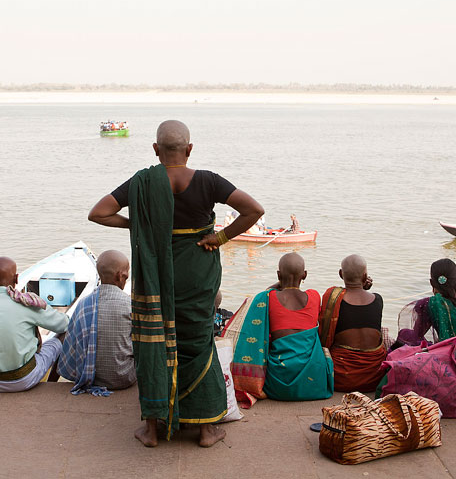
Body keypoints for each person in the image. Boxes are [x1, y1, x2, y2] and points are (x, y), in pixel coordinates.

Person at [88, 119, 264, 448]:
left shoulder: (142, 182)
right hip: (197, 272)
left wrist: (139, 225)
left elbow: (98, 213)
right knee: (198, 343)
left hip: (156, 273)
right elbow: (253, 210)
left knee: (154, 344)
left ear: (156, 150)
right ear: (189, 149)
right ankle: (207, 429)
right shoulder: (209, 181)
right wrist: (221, 236)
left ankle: (153, 429)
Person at [232, 253, 333, 404]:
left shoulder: (268, 297)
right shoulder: (314, 296)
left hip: (278, 383)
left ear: (278, 275)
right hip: (314, 383)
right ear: (304, 275)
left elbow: (265, 293)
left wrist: (278, 284)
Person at [0, 257, 69, 393]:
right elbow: (64, 325)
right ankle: (50, 384)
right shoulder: (28, 302)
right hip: (23, 381)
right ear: (16, 279)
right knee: (65, 334)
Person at [395, 258, 456, 376]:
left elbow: (417, 336)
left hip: (452, 363)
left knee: (404, 334)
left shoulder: (431, 304)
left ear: (432, 283)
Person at [57, 250, 136, 394]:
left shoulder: (83, 304)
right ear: (120, 276)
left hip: (89, 378)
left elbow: (72, 343)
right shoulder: (130, 305)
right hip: (125, 378)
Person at [319, 254, 386, 392]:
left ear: (340, 274)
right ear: (365, 276)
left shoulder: (331, 297)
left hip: (340, 377)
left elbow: (324, 337)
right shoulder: (378, 299)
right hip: (374, 377)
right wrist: (364, 288)